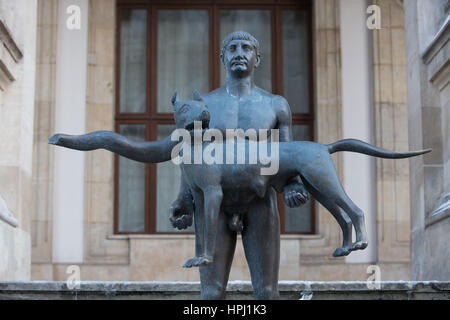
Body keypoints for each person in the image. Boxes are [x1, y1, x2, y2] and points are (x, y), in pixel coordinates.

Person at [169, 31, 309, 299]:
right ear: (223, 58)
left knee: (267, 293)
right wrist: (184, 198)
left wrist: (293, 184)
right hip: (214, 205)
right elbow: (190, 154)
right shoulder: (204, 104)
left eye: (246, 47)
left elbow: (288, 153)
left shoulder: (275, 105)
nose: (239, 53)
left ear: (258, 58)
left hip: (259, 199)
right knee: (210, 293)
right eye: (232, 48)